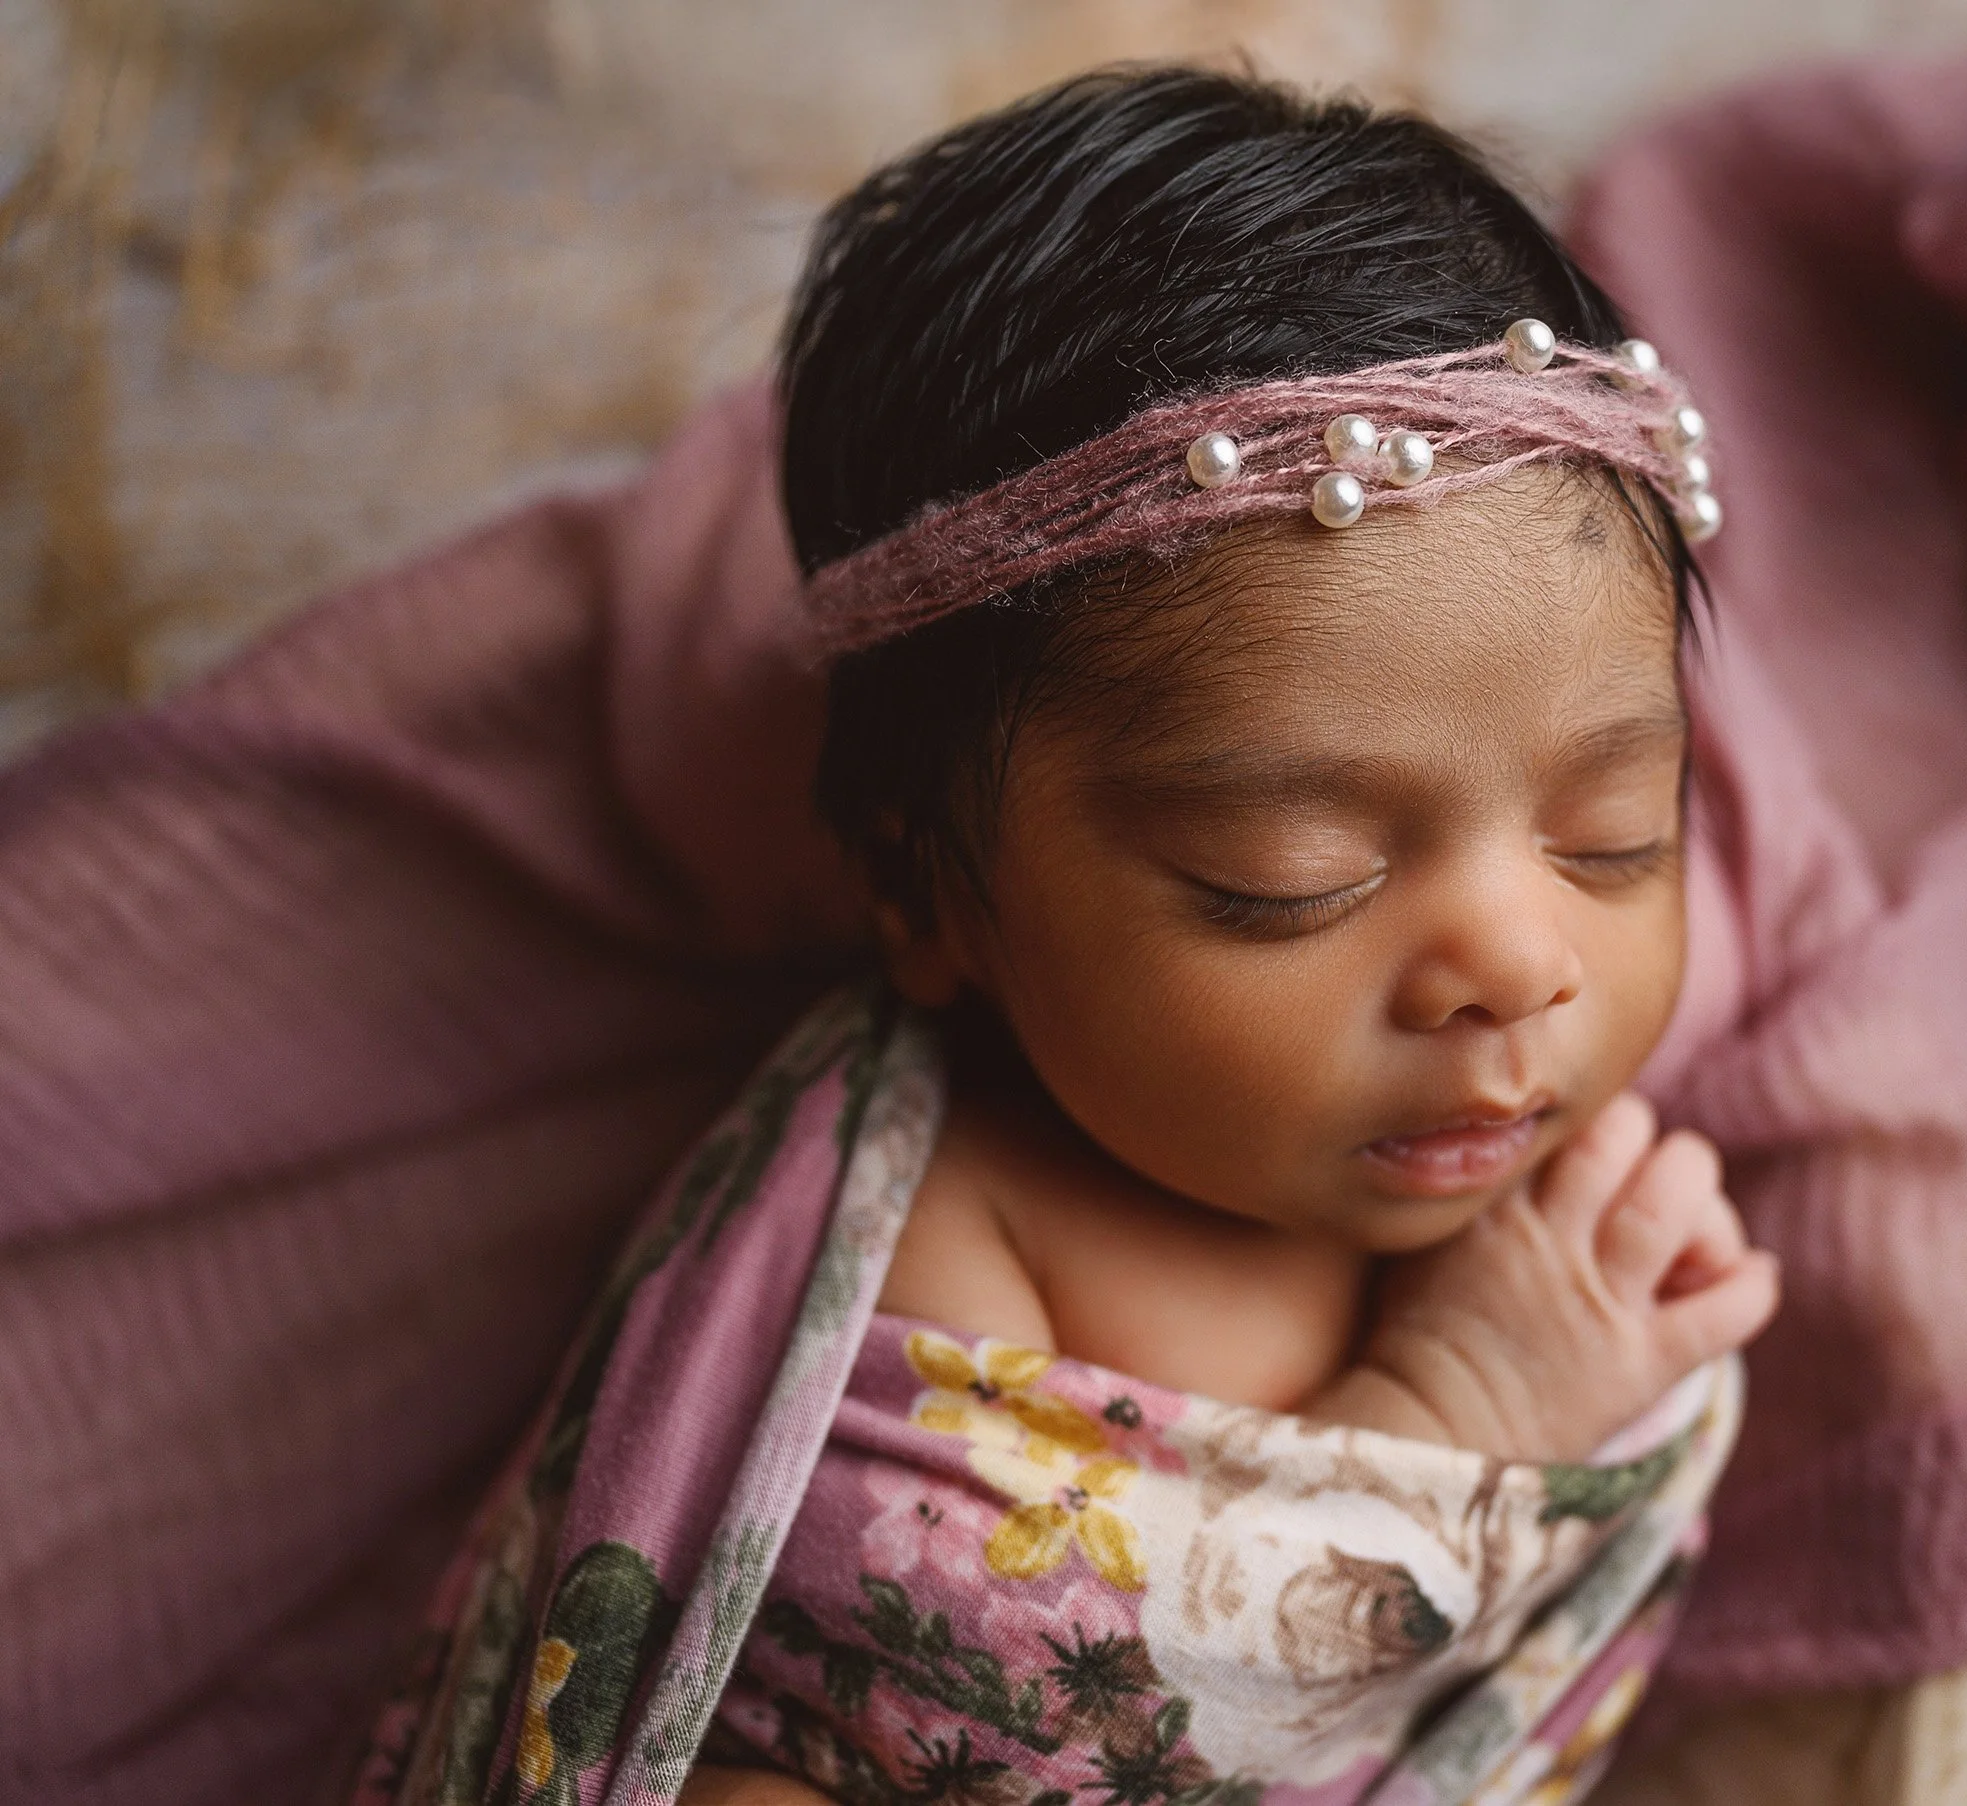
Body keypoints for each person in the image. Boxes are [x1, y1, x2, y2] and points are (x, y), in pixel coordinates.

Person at [693, 64, 1780, 1802]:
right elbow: (996, 1717)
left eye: (1613, 836)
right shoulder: (949, 1234)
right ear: (924, 894)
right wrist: (1466, 1409)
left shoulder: (1564, 1198)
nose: (1518, 960)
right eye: (1290, 877)